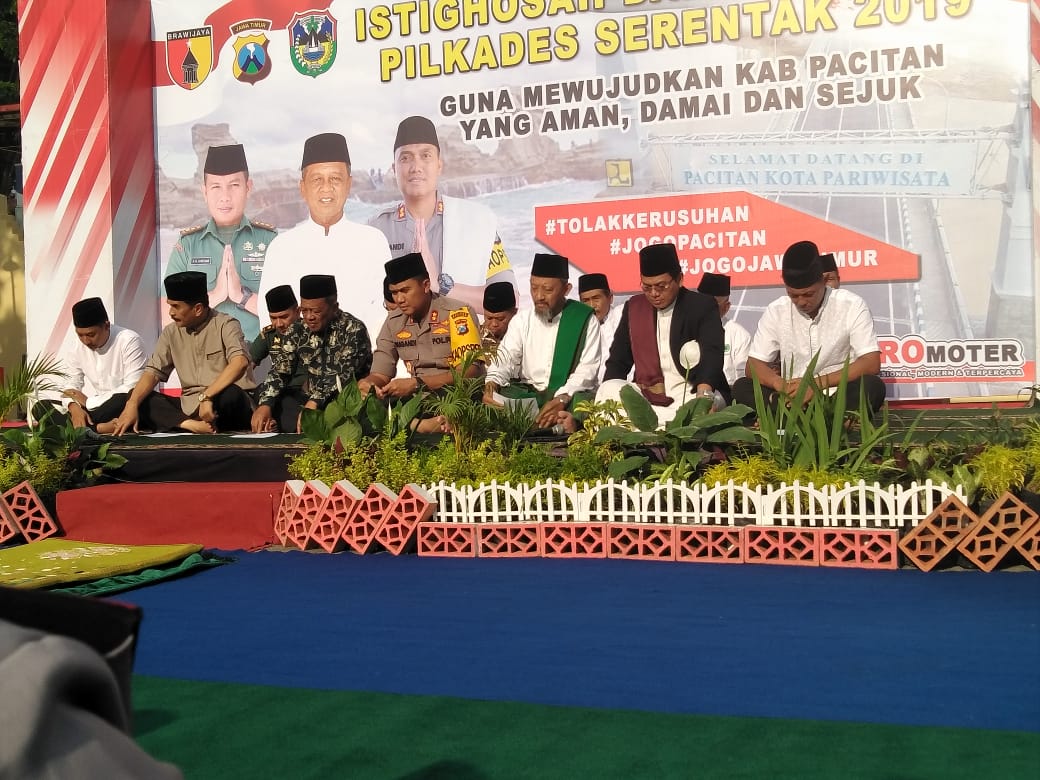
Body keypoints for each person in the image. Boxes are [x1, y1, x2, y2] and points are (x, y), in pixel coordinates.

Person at [369, 115, 516, 313]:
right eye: (405, 158)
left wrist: (439, 285)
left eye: (425, 156)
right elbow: (364, 303)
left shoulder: (478, 221)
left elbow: (511, 300)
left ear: (439, 165)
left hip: (464, 332)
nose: (416, 167)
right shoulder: (376, 229)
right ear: (394, 169)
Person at [256, 132, 391, 338]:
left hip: (363, 356)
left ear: (349, 184)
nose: (326, 188)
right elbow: (271, 320)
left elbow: (385, 315)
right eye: (317, 179)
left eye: (335, 178)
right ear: (303, 187)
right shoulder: (281, 248)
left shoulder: (373, 241)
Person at [732, 240, 886, 416]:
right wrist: (779, 384)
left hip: (834, 393)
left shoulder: (852, 305)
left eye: (808, 294)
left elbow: (871, 362)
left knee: (872, 386)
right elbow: (753, 365)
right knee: (742, 387)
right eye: (793, 295)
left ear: (823, 281)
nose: (801, 302)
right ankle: (800, 417)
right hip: (790, 396)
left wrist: (815, 383)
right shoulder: (776, 310)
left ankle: (790, 419)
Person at [112, 272, 255, 435]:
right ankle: (189, 425)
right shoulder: (171, 332)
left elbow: (240, 362)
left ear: (198, 309)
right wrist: (131, 405)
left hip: (222, 402)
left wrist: (207, 396)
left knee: (231, 394)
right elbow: (152, 372)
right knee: (137, 395)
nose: (171, 313)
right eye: (170, 306)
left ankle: (181, 423)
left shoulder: (226, 324)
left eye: (176, 306)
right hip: (189, 408)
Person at [599, 243, 726, 426]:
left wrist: (704, 396)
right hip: (648, 396)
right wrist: (607, 395)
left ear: (679, 279)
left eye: (661, 286)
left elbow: (712, 354)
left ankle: (652, 425)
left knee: (695, 410)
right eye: (646, 287)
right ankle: (661, 425)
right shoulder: (634, 308)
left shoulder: (701, 305)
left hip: (692, 392)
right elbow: (617, 362)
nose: (654, 294)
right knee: (608, 388)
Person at [165, 144, 276, 344]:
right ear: (205, 192)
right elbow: (167, 316)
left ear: (248, 187)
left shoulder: (270, 242)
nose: (225, 196)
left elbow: (290, 314)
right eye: (216, 187)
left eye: (234, 185)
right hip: (202, 355)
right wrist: (214, 296)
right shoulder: (188, 246)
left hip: (259, 354)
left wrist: (241, 296)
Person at [483, 253, 601, 429]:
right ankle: (551, 426)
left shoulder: (584, 319)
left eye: (547, 290)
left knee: (584, 403)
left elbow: (587, 370)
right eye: (533, 288)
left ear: (566, 289)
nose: (539, 296)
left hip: (568, 395)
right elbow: (505, 359)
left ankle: (564, 424)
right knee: (497, 400)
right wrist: (492, 383)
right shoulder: (522, 320)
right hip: (530, 395)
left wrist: (562, 398)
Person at [252, 274, 372, 432]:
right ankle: (301, 424)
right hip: (309, 401)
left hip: (344, 402)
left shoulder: (353, 330)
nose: (309, 317)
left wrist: (315, 402)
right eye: (304, 310)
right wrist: (265, 404)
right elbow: (280, 371)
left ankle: (309, 425)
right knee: (270, 395)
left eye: (315, 311)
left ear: (334, 307)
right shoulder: (298, 330)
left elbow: (341, 375)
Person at [357, 253, 483, 401]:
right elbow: (381, 372)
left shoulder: (457, 313)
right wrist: (369, 383)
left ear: (426, 285)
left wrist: (418, 384)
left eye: (405, 290)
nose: (399, 299)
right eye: (394, 293)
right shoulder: (393, 321)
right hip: (417, 401)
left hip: (458, 400)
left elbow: (469, 371)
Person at [41, 298, 146, 434]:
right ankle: (99, 428)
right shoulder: (77, 346)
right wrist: (74, 408)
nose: (86, 341)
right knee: (41, 407)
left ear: (106, 326)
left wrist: (88, 402)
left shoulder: (129, 340)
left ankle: (85, 428)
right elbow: (70, 385)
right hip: (97, 409)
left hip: (123, 406)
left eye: (91, 335)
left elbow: (132, 387)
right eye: (80, 335)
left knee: (123, 398)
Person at [249, 285, 306, 433]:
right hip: (277, 391)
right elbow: (247, 364)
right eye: (273, 318)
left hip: (303, 393)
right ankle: (271, 421)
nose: (279, 324)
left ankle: (277, 422)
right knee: (260, 390)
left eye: (284, 317)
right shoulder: (270, 334)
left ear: (298, 311)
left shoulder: (309, 332)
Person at [696, 272, 751, 389]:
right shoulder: (682, 328)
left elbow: (743, 380)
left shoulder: (739, 335)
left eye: (712, 304)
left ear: (726, 307)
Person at [577, 272, 623, 380]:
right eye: (585, 301)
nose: (592, 306)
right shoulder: (578, 329)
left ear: (610, 298)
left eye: (596, 298)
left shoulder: (623, 316)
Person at [479, 281, 518, 351]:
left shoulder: (526, 337)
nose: (494, 324)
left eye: (500, 319)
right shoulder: (475, 335)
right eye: (489, 318)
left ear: (514, 313)